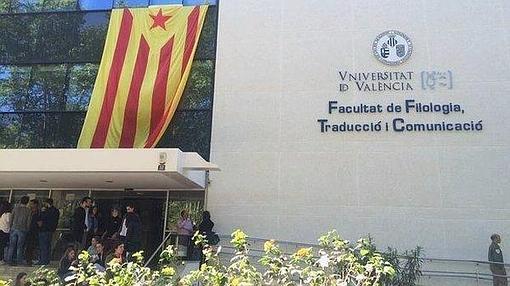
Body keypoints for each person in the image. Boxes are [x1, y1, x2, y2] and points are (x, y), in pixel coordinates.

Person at [6, 196, 32, 266]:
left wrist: (10, 227)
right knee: (19, 247)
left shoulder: (15, 209)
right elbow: (29, 221)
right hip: (23, 229)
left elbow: (11, 218)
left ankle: (9, 261)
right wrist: (27, 229)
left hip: (14, 228)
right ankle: (19, 262)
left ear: (20, 201)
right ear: (27, 202)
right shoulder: (28, 210)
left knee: (11, 246)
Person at [37, 198, 60, 265]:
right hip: (51, 231)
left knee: (43, 246)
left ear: (47, 203)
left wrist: (42, 212)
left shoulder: (46, 211)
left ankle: (42, 261)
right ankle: (47, 260)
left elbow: (41, 219)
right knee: (48, 246)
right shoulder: (56, 211)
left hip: (44, 230)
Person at [25, 199, 40, 266]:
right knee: (28, 246)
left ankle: (31, 260)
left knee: (32, 247)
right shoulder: (29, 212)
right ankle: (27, 259)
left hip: (34, 232)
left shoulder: (38, 213)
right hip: (28, 231)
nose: (30, 205)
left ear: (35, 204)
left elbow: (40, 223)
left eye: (31, 204)